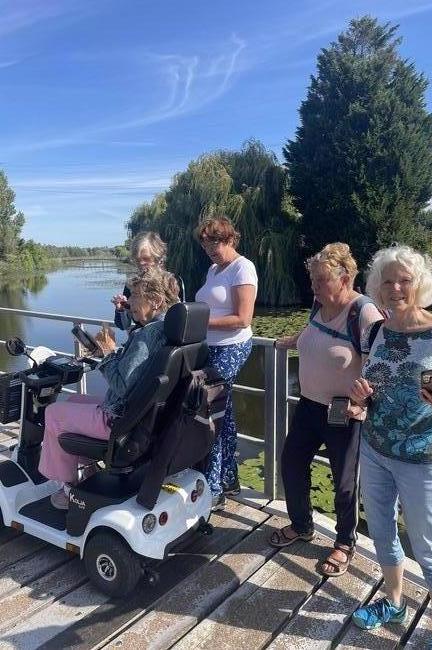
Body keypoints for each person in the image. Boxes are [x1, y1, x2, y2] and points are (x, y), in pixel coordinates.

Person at [350, 245, 432, 650]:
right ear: (378, 287)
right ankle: (394, 603)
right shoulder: (375, 331)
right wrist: (360, 396)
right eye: (388, 281)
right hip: (374, 449)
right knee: (382, 532)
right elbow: (369, 385)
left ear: (419, 284)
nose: (396, 288)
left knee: (427, 546)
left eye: (404, 280)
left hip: (421, 458)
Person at [269, 243, 383, 578]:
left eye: (320, 280)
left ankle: (345, 542)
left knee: (344, 483)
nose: (313, 287)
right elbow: (315, 333)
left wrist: (363, 402)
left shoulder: (363, 313)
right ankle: (301, 525)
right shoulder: (319, 305)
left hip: (344, 414)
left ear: (345, 278)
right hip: (308, 405)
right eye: (313, 280)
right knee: (291, 463)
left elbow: (381, 366)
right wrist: (294, 340)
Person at [40, 268, 180, 510]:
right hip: (142, 415)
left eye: (135, 295)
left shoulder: (147, 336)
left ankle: (68, 488)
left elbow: (121, 385)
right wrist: (108, 353)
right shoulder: (168, 329)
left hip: (119, 420)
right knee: (73, 402)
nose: (130, 302)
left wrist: (107, 353)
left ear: (156, 301)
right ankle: (90, 469)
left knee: (53, 413)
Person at [195, 216, 257, 511]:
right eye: (206, 245)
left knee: (211, 412)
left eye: (215, 244)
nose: (210, 250)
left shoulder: (242, 268)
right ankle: (229, 479)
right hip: (210, 347)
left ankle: (215, 489)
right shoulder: (213, 269)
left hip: (232, 347)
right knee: (224, 414)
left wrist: (201, 321)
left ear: (230, 239)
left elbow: (243, 319)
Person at [112, 231, 168, 330]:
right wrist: (121, 309)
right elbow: (123, 326)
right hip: (141, 335)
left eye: (146, 258)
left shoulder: (172, 282)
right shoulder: (133, 284)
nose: (141, 263)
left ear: (159, 258)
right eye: (137, 260)